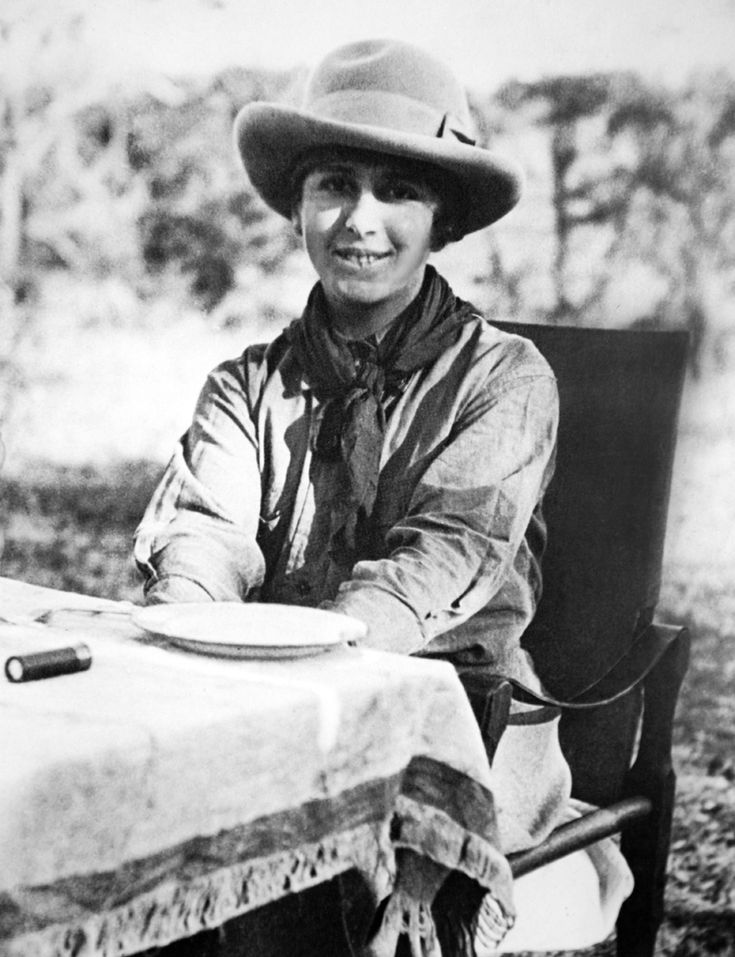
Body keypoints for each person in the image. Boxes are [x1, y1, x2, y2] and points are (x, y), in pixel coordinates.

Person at [134, 38, 630, 955]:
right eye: (333, 184)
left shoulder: (504, 378)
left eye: (397, 190)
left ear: (441, 220)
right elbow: (205, 535)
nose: (360, 219)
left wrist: (309, 689)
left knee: (306, 894)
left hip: (455, 719)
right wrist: (187, 648)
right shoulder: (246, 383)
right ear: (297, 208)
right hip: (265, 711)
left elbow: (438, 556)